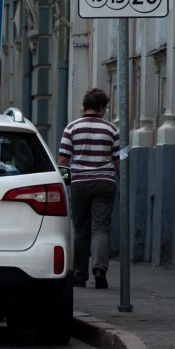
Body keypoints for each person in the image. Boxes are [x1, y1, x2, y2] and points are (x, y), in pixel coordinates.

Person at [57, 88, 120, 289]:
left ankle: (79, 274)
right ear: (102, 107)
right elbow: (118, 162)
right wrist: (120, 181)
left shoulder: (71, 128)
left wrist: (67, 182)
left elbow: (63, 160)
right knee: (101, 228)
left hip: (80, 184)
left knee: (81, 230)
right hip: (105, 183)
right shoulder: (112, 130)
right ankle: (100, 269)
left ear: (85, 106)